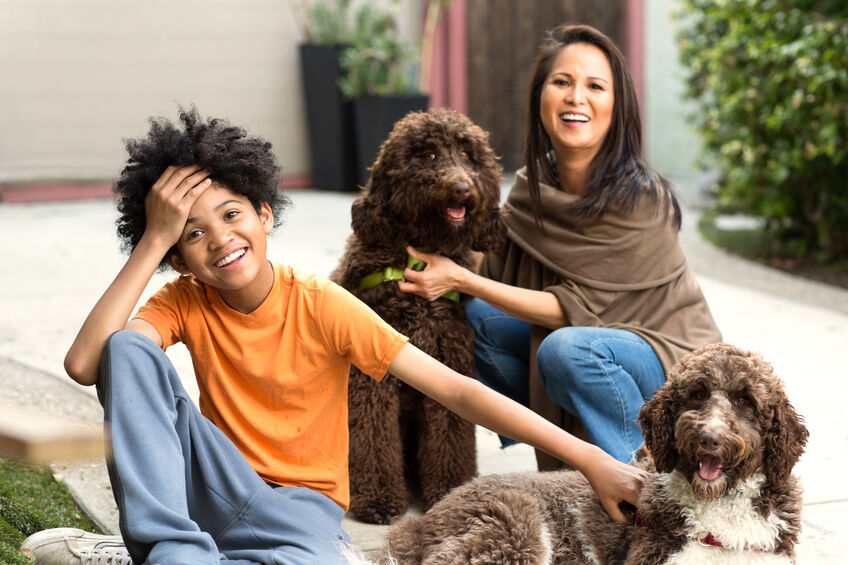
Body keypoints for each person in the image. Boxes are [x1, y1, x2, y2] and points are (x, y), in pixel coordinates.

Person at [21, 108, 645, 565]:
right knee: (127, 347)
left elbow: (458, 392)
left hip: (298, 521)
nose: (219, 239)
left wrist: (593, 460)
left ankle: (174, 554)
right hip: (209, 490)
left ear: (265, 214)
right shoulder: (183, 297)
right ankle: (170, 550)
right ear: (179, 257)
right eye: (191, 232)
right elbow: (86, 363)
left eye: (231, 214)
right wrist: (152, 241)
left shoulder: (321, 303)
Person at [399, 24, 722, 469]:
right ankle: (576, 452)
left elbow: (578, 309)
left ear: (617, 105)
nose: (576, 97)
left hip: (671, 363)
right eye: (562, 82)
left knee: (566, 349)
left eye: (595, 86)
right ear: (540, 98)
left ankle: (639, 476)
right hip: (592, 349)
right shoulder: (534, 188)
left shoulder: (642, 199)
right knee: (472, 320)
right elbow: (493, 265)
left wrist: (458, 276)